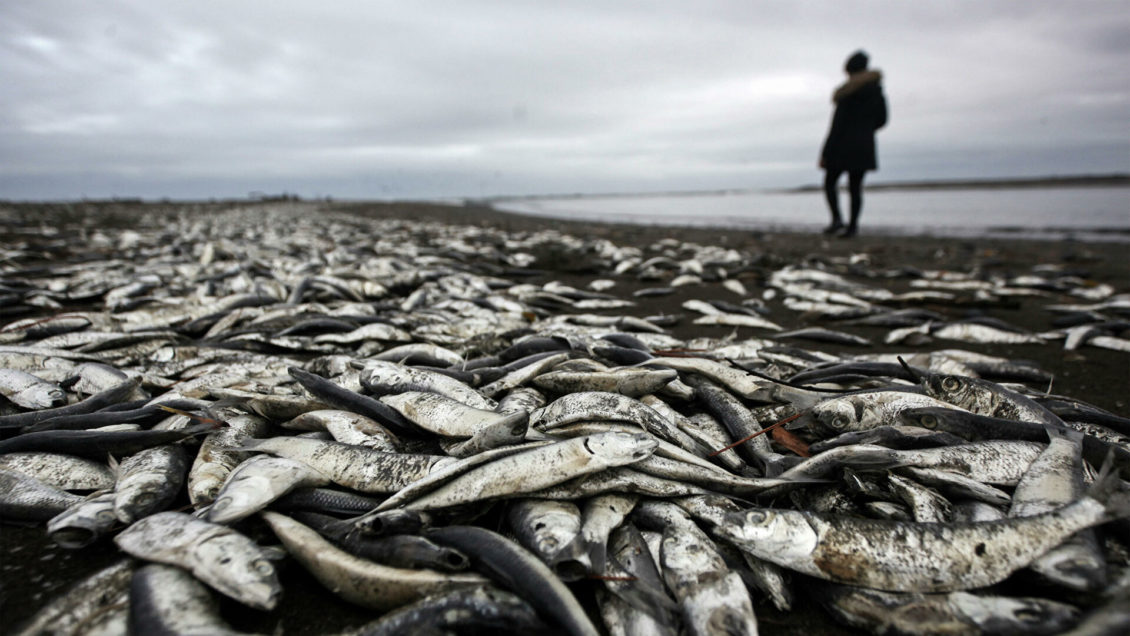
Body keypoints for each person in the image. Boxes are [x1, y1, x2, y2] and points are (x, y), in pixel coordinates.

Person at [819, 50, 887, 237]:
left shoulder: (847, 93)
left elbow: (837, 125)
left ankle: (837, 219)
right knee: (855, 187)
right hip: (864, 145)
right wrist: (865, 130)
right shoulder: (877, 91)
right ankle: (852, 227)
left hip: (842, 145)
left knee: (830, 181)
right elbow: (882, 120)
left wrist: (826, 152)